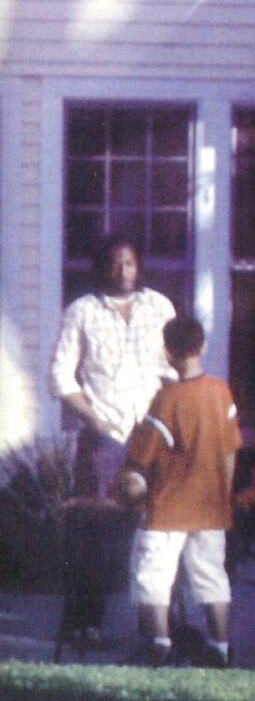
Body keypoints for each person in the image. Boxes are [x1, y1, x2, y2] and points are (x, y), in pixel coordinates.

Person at [50, 235, 179, 649]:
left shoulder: (159, 307)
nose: (123, 272)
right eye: (115, 264)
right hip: (105, 437)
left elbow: (174, 370)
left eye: (129, 263)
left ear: (139, 266)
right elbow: (60, 377)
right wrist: (96, 418)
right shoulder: (82, 312)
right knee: (94, 533)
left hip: (152, 436)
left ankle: (162, 627)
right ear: (102, 267)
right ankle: (84, 624)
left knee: (159, 531)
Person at [119, 316, 240, 667]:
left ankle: (158, 644)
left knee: (152, 572)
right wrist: (224, 495)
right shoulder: (221, 393)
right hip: (210, 505)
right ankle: (219, 647)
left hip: (168, 505)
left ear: (168, 352)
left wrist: (129, 484)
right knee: (211, 575)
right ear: (202, 346)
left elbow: (141, 456)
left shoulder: (166, 399)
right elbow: (231, 450)